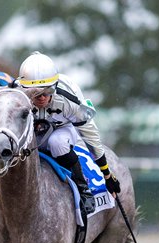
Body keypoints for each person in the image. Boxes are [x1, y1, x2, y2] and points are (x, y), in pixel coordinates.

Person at [15, 52, 121, 214]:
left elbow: (90, 136)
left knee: (56, 143)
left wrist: (107, 174)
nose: (42, 97)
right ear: (23, 89)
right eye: (35, 93)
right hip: (31, 130)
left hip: (63, 128)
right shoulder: (14, 96)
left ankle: (83, 188)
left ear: (55, 86)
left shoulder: (68, 100)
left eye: (47, 90)